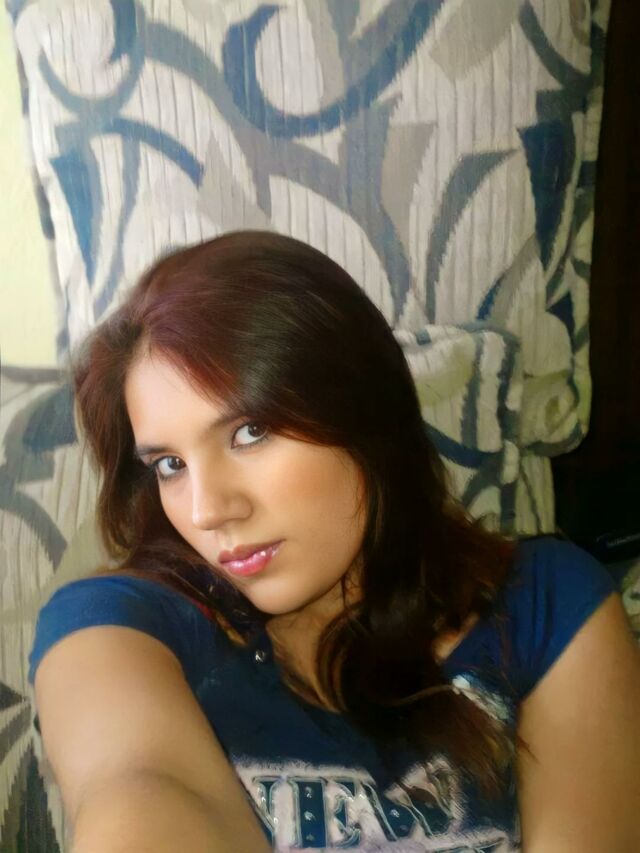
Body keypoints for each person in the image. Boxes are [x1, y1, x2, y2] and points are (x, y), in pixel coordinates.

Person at [29, 231, 640, 852]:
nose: (207, 511)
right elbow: (137, 786)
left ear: (363, 409)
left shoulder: (546, 603)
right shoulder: (116, 625)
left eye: (250, 432)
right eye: (170, 465)